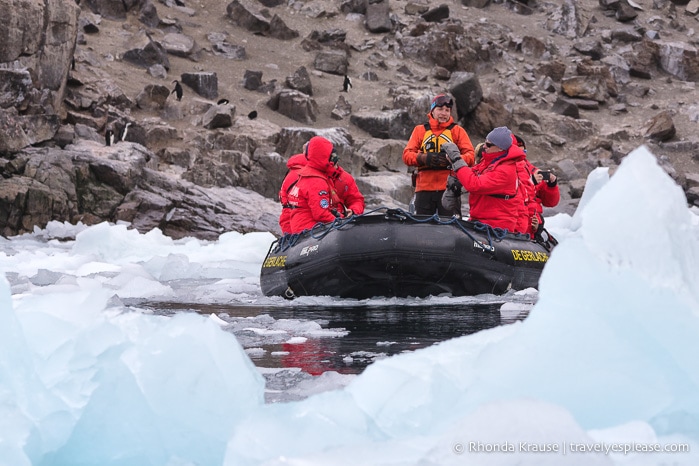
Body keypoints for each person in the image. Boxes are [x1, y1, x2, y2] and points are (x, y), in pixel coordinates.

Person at [442, 126, 526, 231]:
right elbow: (471, 174)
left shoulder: (505, 170)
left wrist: (457, 159)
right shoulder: (488, 162)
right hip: (479, 221)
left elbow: (475, 184)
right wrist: (456, 180)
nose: (484, 146)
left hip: (496, 225)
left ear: (500, 148)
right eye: (485, 142)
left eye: (489, 144)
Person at [402, 94, 475, 216]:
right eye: (440, 109)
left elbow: (471, 156)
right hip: (424, 188)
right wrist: (423, 158)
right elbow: (407, 155)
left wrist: (452, 160)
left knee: (451, 228)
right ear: (432, 110)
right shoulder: (420, 130)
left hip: (449, 189)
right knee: (421, 227)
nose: (444, 113)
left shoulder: (457, 131)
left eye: (447, 110)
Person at [279, 142, 364, 235]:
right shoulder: (304, 177)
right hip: (312, 231)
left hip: (333, 228)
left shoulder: (342, 178)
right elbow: (289, 211)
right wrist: (290, 239)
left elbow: (356, 200)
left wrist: (353, 211)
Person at [286, 136, 347, 234]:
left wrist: (339, 215)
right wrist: (343, 222)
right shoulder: (316, 181)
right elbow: (321, 214)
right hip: (310, 231)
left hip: (299, 229)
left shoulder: (306, 174)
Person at [514, 135, 560, 240]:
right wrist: (531, 182)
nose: (521, 156)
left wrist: (552, 186)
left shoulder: (534, 172)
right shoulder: (505, 171)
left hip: (531, 225)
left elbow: (550, 202)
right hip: (515, 224)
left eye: (523, 152)